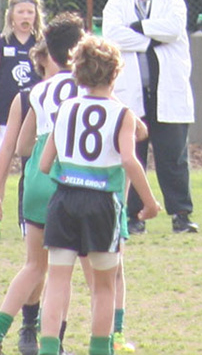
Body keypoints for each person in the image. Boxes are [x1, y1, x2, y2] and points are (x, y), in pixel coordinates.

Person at [38, 34, 161, 355]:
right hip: (101, 203)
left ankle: (48, 349)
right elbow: (129, 160)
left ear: (77, 72)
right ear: (115, 73)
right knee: (104, 287)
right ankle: (100, 349)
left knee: (57, 281)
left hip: (64, 200)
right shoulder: (122, 114)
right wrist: (150, 202)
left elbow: (44, 164)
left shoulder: (65, 109)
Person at [0, 14, 83, 355]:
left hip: (36, 179)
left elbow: (21, 147)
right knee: (62, 271)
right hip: (70, 179)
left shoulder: (36, 92)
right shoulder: (88, 88)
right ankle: (55, 343)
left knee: (34, 265)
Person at [103, 0, 195, 233]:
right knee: (133, 155)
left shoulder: (173, 1)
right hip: (132, 93)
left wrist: (138, 27)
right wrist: (151, 40)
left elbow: (174, 29)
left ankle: (181, 214)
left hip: (168, 91)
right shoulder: (116, 3)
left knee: (173, 157)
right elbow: (112, 36)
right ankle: (134, 217)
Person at [0, 0, 45, 241]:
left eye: (30, 12)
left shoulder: (41, 43)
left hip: (33, 116)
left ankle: (34, 220)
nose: (25, 16)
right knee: (0, 167)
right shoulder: (0, 43)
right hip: (3, 116)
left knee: (33, 167)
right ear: (11, 15)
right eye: (21, 12)